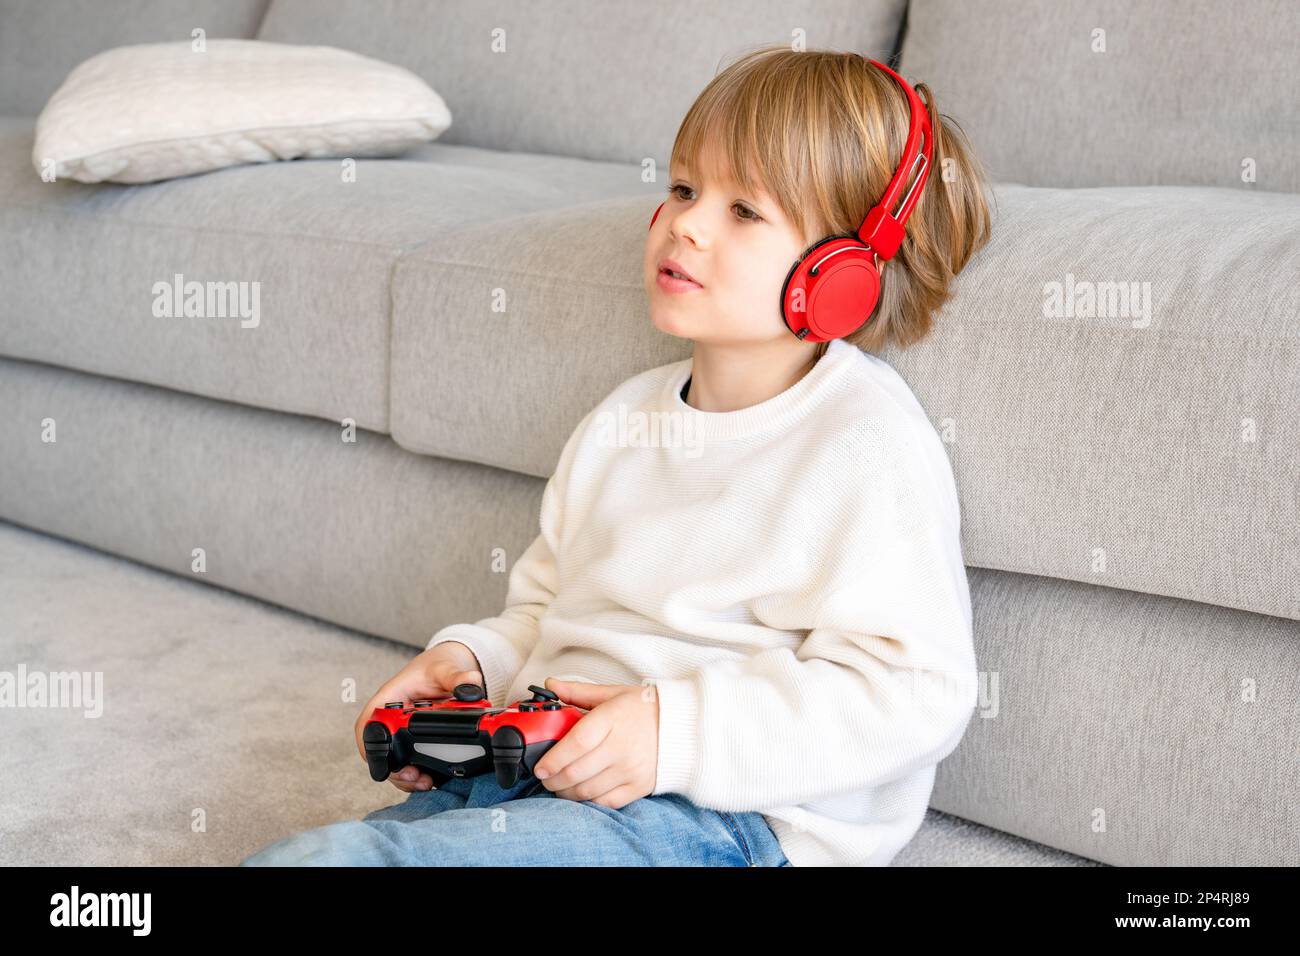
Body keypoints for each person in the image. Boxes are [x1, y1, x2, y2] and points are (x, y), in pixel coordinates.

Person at [241, 44, 992, 867]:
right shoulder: (619, 422)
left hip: (712, 816)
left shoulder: (864, 440)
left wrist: (672, 733)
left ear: (844, 270)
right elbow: (545, 613)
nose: (686, 224)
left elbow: (913, 695)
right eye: (682, 188)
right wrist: (472, 664)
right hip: (537, 769)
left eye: (745, 211)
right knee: (325, 852)